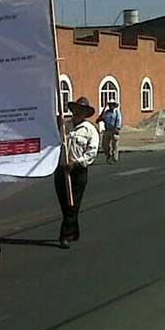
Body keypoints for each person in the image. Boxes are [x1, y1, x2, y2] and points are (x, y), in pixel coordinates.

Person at [55, 97, 99, 249]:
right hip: (61, 170)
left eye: (82, 111)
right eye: (76, 110)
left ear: (86, 114)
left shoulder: (90, 130)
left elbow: (91, 152)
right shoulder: (64, 126)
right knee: (64, 203)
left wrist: (76, 163)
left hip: (78, 171)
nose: (78, 113)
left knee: (73, 204)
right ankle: (74, 229)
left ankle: (65, 235)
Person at [96, 99, 121, 164]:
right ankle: (108, 155)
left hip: (114, 130)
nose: (111, 106)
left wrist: (117, 128)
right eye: (110, 105)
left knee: (115, 145)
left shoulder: (116, 112)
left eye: (112, 105)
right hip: (107, 130)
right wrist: (103, 109)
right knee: (104, 145)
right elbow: (100, 119)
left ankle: (114, 158)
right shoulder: (106, 112)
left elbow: (118, 120)